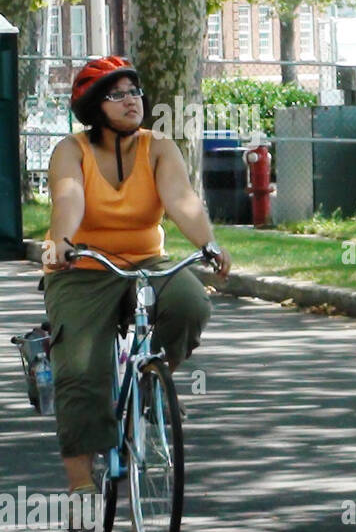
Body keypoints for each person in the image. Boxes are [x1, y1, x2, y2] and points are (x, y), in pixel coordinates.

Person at [42, 55, 232, 508]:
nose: (132, 101)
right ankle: (81, 483)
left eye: (134, 92)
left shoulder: (159, 147)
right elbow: (68, 199)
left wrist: (208, 243)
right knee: (80, 368)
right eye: (118, 94)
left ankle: (150, 385)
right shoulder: (71, 150)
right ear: (94, 106)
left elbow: (182, 201)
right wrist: (62, 243)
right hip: (83, 268)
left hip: (147, 261)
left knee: (190, 305)